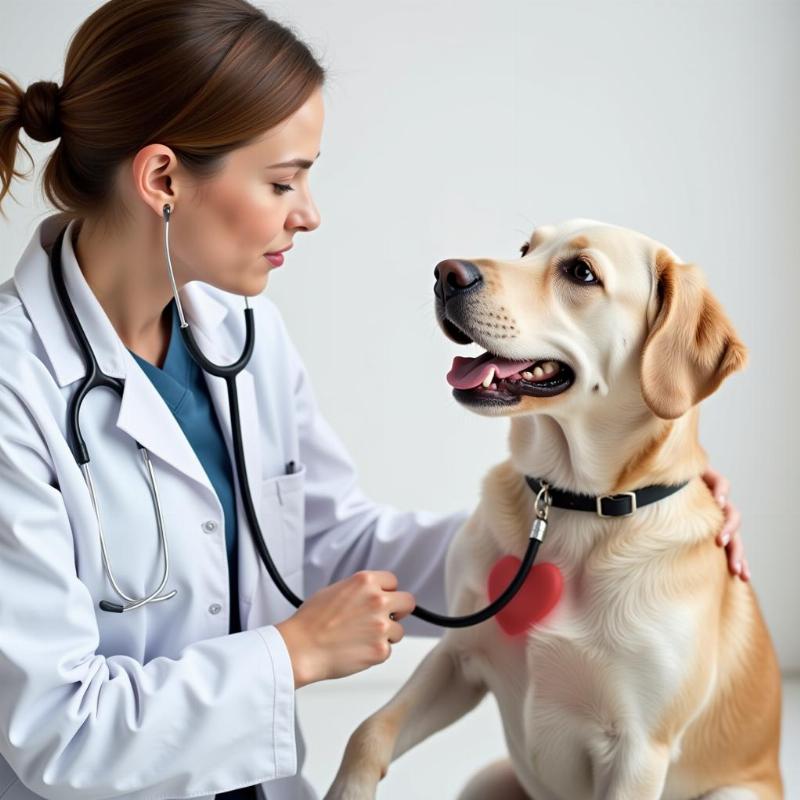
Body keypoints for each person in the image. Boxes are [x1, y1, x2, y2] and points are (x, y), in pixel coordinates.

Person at [0, 2, 749, 799]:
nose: (309, 213)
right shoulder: (19, 388)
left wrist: (596, 528)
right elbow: (56, 730)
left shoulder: (238, 332)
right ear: (162, 180)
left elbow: (331, 545)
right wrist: (294, 654)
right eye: (282, 180)